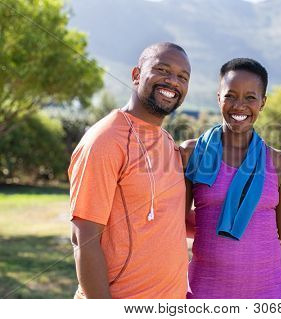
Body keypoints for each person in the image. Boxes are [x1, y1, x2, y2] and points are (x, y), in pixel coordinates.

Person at [68, 42, 191, 299]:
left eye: (182, 77)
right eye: (163, 70)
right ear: (136, 75)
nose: (173, 81)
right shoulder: (105, 140)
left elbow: (169, 222)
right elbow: (84, 239)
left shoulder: (168, 142)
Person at [181, 58, 281, 299]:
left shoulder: (280, 164)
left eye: (250, 97)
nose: (239, 106)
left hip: (272, 292)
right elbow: (173, 228)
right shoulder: (191, 153)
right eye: (231, 96)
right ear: (219, 98)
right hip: (205, 291)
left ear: (263, 102)